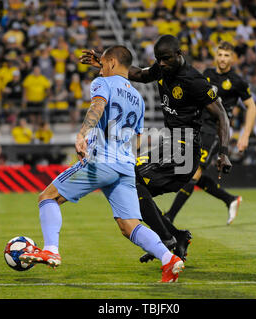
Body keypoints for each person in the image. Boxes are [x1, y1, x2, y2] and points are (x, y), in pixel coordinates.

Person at [20, 46, 185, 283]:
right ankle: (169, 259)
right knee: (129, 225)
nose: (101, 68)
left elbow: (97, 105)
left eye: (104, 64)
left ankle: (51, 250)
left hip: (102, 161)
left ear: (111, 63)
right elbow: (136, 139)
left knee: (48, 197)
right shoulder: (138, 99)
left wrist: (82, 134)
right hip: (126, 165)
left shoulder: (102, 83)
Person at [79, 35, 232, 263]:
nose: (161, 64)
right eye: (158, 60)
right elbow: (139, 74)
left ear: (179, 54)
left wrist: (224, 152)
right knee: (129, 187)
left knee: (128, 183)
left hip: (185, 149)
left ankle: (168, 239)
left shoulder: (194, 80)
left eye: (166, 59)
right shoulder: (163, 69)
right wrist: (104, 61)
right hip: (171, 146)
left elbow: (222, 115)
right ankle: (175, 237)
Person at [164, 41, 256, 226]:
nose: (223, 59)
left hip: (215, 131)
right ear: (216, 56)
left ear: (233, 58)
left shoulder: (237, 81)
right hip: (197, 127)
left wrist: (245, 134)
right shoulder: (206, 74)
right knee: (189, 171)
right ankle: (229, 199)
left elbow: (251, 107)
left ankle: (170, 216)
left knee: (193, 172)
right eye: (220, 54)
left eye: (226, 55)